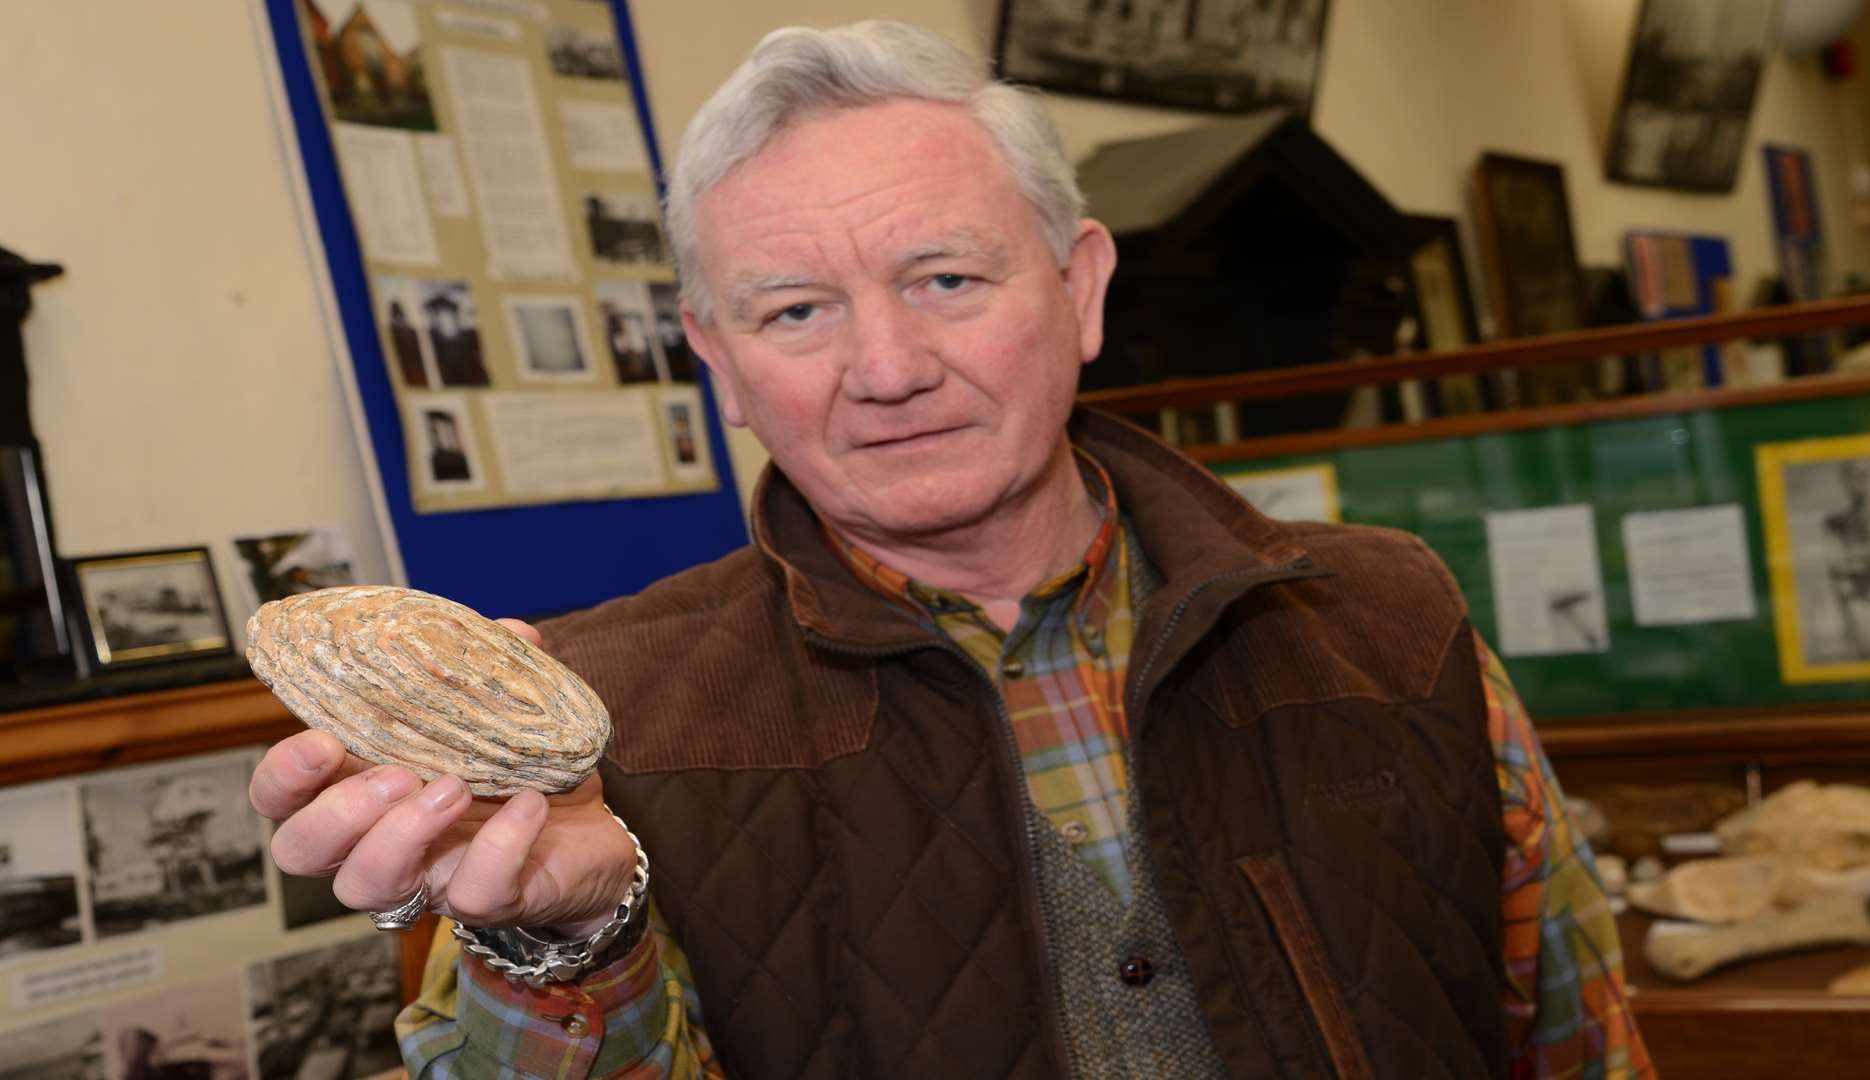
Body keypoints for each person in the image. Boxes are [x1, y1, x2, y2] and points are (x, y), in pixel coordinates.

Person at [250, 21, 1652, 1079]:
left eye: (947, 280)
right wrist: (570, 941)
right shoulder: (605, 731)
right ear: (720, 363)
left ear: (1081, 289)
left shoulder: (1388, 618)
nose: (887, 367)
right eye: (796, 311)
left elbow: (1583, 1035)